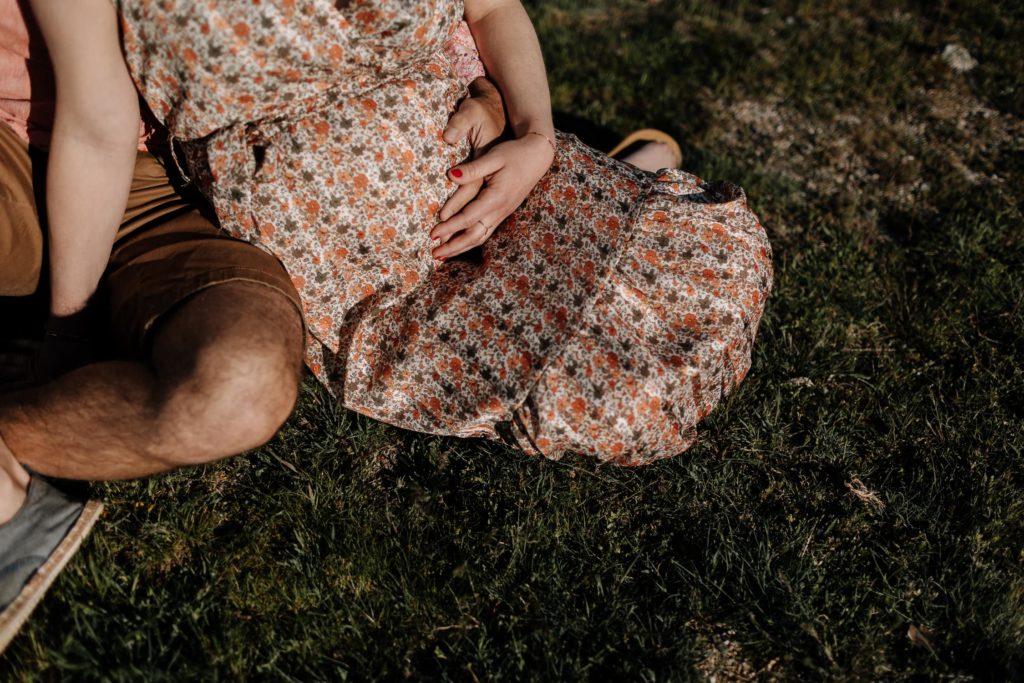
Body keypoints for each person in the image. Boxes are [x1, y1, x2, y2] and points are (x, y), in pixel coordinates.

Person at [0, 0, 685, 650]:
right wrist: (71, 326)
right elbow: (99, 120)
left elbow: (465, 17)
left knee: (239, 386)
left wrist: (505, 107)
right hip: (51, 147)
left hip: (212, 194)